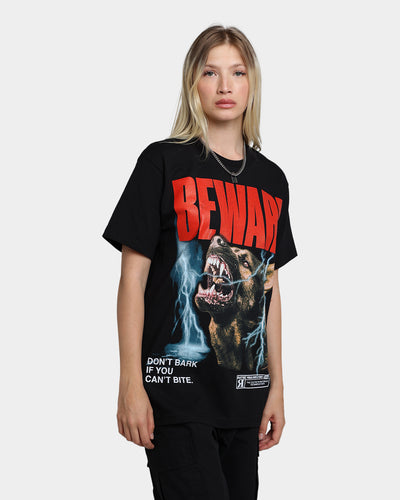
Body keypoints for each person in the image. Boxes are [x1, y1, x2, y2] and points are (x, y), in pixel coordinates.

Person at [102, 24, 298, 500]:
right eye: (211, 72)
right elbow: (132, 280)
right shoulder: (161, 163)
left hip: (244, 394)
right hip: (175, 392)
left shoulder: (272, 180)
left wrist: (276, 385)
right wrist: (130, 382)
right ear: (193, 82)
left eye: (237, 72)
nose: (225, 86)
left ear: (252, 84)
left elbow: (269, 289)